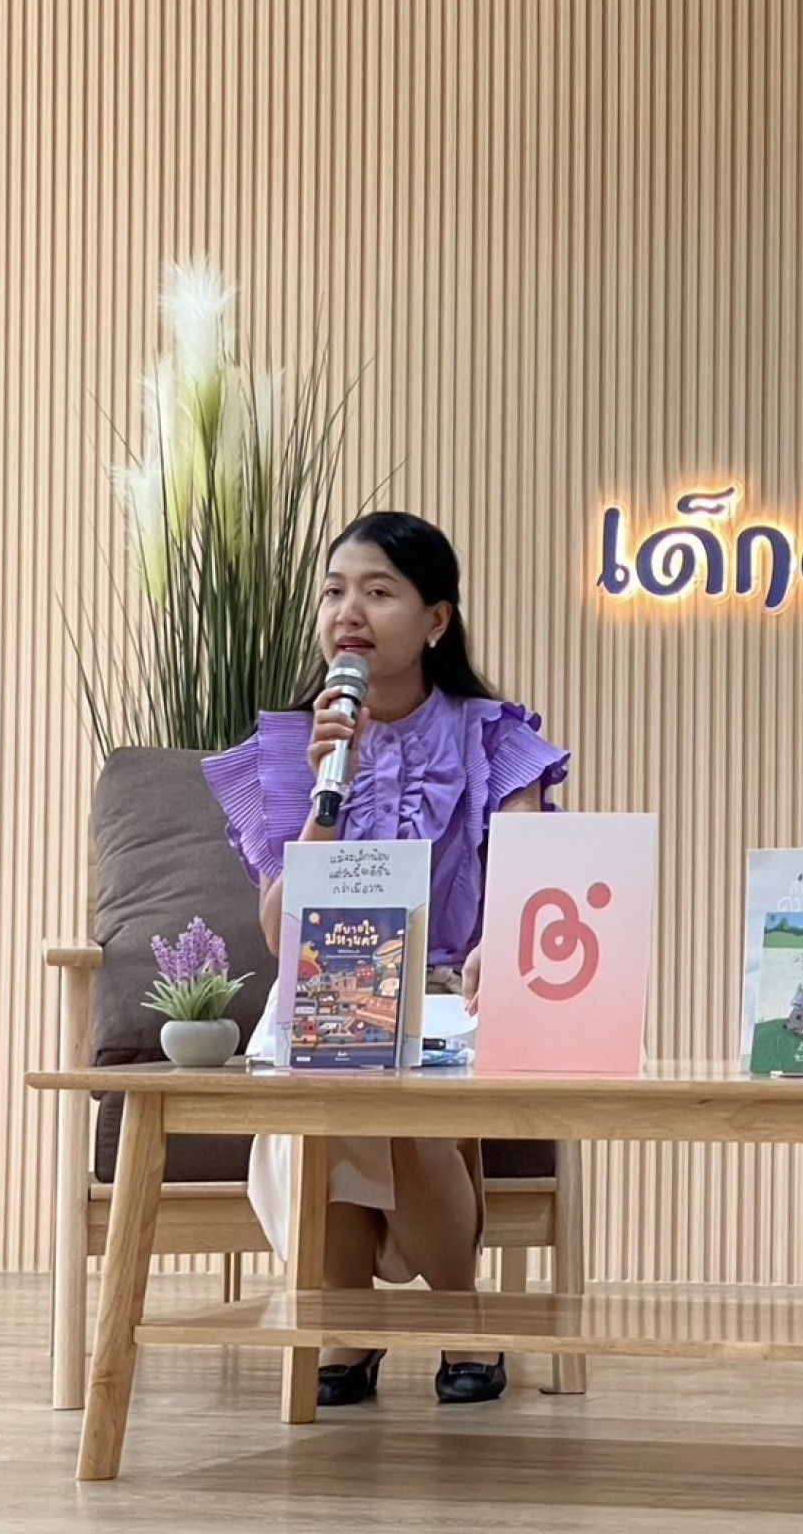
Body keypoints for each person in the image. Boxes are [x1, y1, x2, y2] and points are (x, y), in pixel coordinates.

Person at [203, 510, 569, 1408]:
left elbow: (529, 886)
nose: (349, 612)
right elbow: (283, 933)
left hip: (451, 992)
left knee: (405, 1109)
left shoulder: (494, 738)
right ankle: (347, 1318)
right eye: (334, 592)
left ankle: (457, 1312)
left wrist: (495, 949)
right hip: (328, 987)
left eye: (378, 591)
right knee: (326, 1100)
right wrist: (328, 792)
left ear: (436, 620)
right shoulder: (287, 752)